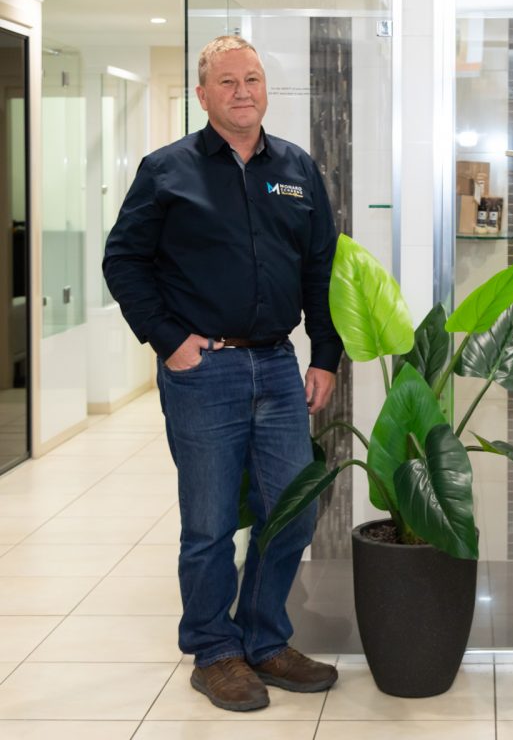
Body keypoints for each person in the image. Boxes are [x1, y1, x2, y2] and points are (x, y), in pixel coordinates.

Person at [103, 35, 342, 713]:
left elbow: (320, 269)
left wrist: (324, 355)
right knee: (208, 525)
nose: (243, 91)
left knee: (291, 511)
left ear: (267, 89)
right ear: (203, 95)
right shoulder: (166, 169)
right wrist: (168, 338)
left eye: (254, 79)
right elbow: (124, 261)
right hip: (203, 369)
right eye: (228, 82)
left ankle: (265, 641)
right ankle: (215, 652)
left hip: (277, 361)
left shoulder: (296, 167)